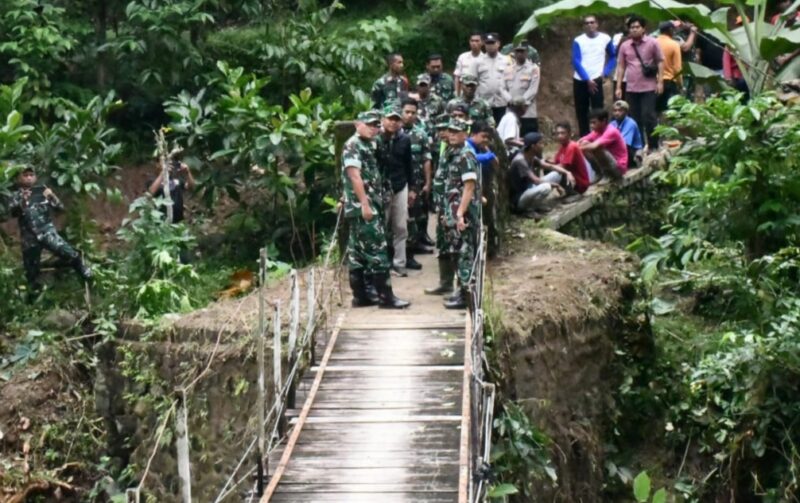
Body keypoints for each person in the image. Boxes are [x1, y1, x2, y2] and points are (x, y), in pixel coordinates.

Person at [341, 110, 409, 309]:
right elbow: (354, 176)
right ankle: (386, 297)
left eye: (375, 125)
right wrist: (364, 204)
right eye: (369, 124)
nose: (373, 128)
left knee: (358, 252)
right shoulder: (352, 145)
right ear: (357, 124)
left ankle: (361, 296)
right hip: (364, 207)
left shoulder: (370, 143)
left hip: (368, 203)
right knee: (378, 250)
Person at [8, 166, 92, 295]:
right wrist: (23, 201)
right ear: (19, 178)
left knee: (68, 252)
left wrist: (51, 196)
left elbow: (60, 208)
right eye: (25, 175)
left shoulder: (42, 190)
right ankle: (34, 298)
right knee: (31, 272)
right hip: (29, 238)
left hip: (47, 232)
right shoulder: (15, 195)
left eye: (31, 175)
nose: (29, 178)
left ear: (35, 177)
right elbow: (13, 212)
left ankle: (82, 270)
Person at [438, 118, 481, 310]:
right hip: (451, 210)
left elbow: (469, 186)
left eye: (457, 131)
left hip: (462, 214)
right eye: (451, 131)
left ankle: (466, 295)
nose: (452, 134)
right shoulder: (450, 152)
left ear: (465, 134)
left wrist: (461, 213)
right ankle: (461, 290)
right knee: (455, 251)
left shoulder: (466, 155)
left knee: (465, 252)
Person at [376, 102, 415, 276]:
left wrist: (412, 188)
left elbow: (409, 165)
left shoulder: (405, 139)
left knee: (400, 226)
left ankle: (400, 263)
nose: (393, 123)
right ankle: (381, 263)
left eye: (396, 120)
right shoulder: (376, 140)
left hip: (400, 185)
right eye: (390, 119)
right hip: (380, 188)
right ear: (383, 120)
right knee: (381, 226)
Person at [616, 15, 664, 151]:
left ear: (643, 29)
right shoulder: (625, 46)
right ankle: (639, 147)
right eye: (632, 27)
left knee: (649, 116)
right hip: (631, 88)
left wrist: (660, 82)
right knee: (634, 119)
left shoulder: (652, 43)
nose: (634, 30)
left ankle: (654, 145)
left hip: (649, 87)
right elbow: (621, 67)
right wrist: (619, 86)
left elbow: (660, 61)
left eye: (637, 27)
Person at [572, 15, 617, 137]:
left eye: (592, 22)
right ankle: (584, 137)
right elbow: (576, 61)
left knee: (598, 110)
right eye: (586, 23)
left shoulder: (605, 38)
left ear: (597, 24)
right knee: (581, 111)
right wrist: (587, 79)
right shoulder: (578, 40)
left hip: (597, 78)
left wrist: (606, 72)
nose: (589, 25)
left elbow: (613, 56)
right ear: (583, 26)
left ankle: (600, 136)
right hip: (580, 79)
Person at [400, 97, 433, 260]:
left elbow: (427, 158)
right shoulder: (394, 133)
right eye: (407, 112)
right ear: (401, 112)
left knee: (419, 212)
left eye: (413, 113)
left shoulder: (421, 134)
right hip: (400, 180)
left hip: (417, 180)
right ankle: (405, 249)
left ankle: (417, 242)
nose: (410, 115)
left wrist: (428, 182)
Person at [507, 133, 567, 215]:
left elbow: (548, 166)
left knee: (557, 174)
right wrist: (556, 185)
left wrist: (567, 172)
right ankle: (528, 209)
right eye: (540, 143)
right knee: (546, 187)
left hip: (529, 189)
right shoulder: (520, 160)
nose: (543, 145)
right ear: (533, 146)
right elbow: (536, 181)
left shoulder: (531, 155)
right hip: (519, 198)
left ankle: (536, 205)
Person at [470, 33, 511, 125]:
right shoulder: (478, 61)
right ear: (484, 45)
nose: (490, 46)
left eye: (492, 43)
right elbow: (472, 81)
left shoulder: (506, 61)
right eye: (488, 43)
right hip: (484, 103)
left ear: (498, 44)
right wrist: (474, 100)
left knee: (501, 129)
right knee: (485, 130)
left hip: (502, 103)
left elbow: (511, 82)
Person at [579, 108, 628, 180]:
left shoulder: (611, 131)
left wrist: (577, 148)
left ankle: (607, 175)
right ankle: (599, 173)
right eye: (590, 123)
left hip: (618, 168)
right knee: (584, 143)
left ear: (603, 121)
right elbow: (581, 141)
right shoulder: (597, 131)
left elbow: (594, 146)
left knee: (597, 148)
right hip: (608, 163)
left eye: (594, 123)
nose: (591, 126)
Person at [146, 153, 196, 224]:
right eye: (164, 161)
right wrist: (163, 174)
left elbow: (191, 186)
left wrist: (187, 172)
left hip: (179, 222)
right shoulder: (152, 179)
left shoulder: (175, 178)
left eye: (169, 161)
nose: (168, 163)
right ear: (157, 164)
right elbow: (150, 192)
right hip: (162, 223)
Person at [505, 44, 541, 135]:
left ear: (526, 53)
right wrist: (510, 100)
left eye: (522, 51)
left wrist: (520, 102)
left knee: (529, 141)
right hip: (511, 111)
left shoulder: (534, 68)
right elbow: (502, 88)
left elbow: (533, 90)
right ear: (514, 52)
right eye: (518, 51)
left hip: (527, 112)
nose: (520, 54)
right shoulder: (508, 69)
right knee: (512, 140)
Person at [552, 122, 592, 194]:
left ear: (569, 134)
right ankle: (569, 192)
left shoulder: (571, 146)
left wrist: (549, 166)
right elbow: (556, 162)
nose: (560, 136)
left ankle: (574, 193)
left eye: (562, 133)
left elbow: (563, 166)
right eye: (557, 134)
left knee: (555, 171)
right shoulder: (563, 147)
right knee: (549, 169)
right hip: (572, 178)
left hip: (580, 183)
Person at [656, 21, 683, 113]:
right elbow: (677, 68)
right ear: (670, 30)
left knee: (655, 110)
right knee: (670, 111)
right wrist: (680, 84)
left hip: (653, 81)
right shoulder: (674, 45)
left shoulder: (653, 42)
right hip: (669, 81)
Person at [610, 100, 644, 168]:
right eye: (615, 111)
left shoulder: (630, 123)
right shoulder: (612, 124)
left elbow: (624, 143)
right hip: (618, 150)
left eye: (620, 111)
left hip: (631, 151)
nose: (617, 113)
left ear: (626, 112)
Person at [454, 32, 484, 96]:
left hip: (479, 94)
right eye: (472, 41)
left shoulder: (485, 59)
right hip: (463, 94)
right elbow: (457, 77)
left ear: (482, 42)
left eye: (477, 41)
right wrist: (457, 94)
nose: (474, 43)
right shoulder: (462, 57)